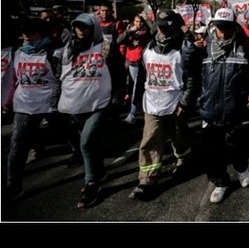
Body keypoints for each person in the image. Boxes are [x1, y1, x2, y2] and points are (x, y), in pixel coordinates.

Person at [183, 7, 249, 204]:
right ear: (213, 25)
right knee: (211, 153)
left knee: (238, 146)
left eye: (227, 27)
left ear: (234, 26)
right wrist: (190, 49)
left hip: (237, 109)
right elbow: (188, 70)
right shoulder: (203, 45)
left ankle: (241, 168)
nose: (222, 32)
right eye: (219, 27)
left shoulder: (247, 45)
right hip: (210, 110)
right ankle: (221, 182)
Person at [56, 13, 126, 208]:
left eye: (85, 26)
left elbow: (120, 73)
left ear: (94, 28)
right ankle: (100, 171)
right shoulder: (69, 48)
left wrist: (117, 99)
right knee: (91, 143)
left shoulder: (105, 47)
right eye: (77, 26)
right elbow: (61, 75)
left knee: (85, 143)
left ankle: (91, 183)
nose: (80, 30)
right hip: (76, 105)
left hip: (99, 104)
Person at [128, 9, 196, 200]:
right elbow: (141, 77)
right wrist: (136, 101)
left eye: (167, 26)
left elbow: (192, 78)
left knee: (178, 136)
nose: (163, 30)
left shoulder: (184, 47)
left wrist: (185, 102)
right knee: (150, 140)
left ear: (174, 25)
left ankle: (183, 159)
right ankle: (146, 180)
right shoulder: (148, 48)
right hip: (152, 105)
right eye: (160, 26)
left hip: (175, 105)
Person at [3, 18, 63, 202]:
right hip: (24, 105)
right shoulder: (16, 53)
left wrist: (57, 103)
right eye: (24, 33)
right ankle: (13, 185)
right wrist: (7, 101)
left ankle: (78, 151)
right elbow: (13, 80)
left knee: (66, 131)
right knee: (17, 144)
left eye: (31, 32)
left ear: (42, 33)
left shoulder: (55, 53)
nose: (26, 36)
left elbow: (61, 79)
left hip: (49, 104)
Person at [117, 14, 153, 124]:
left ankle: (132, 114)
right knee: (135, 88)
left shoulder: (147, 33)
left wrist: (147, 19)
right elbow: (119, 41)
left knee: (136, 88)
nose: (139, 24)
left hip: (141, 64)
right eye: (136, 21)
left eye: (141, 21)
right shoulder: (129, 32)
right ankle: (140, 108)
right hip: (131, 63)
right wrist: (129, 32)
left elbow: (152, 32)